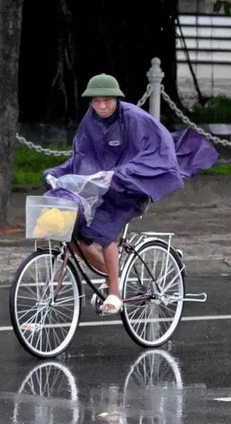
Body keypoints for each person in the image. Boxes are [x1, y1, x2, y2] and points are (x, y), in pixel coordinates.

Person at [43, 73, 184, 315]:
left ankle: (116, 292)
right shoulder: (91, 120)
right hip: (102, 190)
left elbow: (158, 153)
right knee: (75, 236)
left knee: (103, 226)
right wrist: (57, 173)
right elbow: (82, 156)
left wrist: (120, 173)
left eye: (107, 101)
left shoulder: (134, 118)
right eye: (96, 101)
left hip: (132, 188)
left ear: (117, 99)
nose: (102, 106)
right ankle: (115, 278)